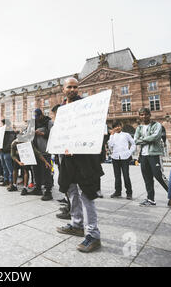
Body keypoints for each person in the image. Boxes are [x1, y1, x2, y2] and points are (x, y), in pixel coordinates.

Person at [56, 77, 103, 253]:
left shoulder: (87, 107)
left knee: (87, 194)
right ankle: (77, 224)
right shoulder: (61, 109)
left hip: (84, 157)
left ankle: (93, 235)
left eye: (76, 87)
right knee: (70, 190)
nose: (73, 89)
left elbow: (93, 130)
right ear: (64, 89)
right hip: (67, 157)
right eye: (70, 87)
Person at [134, 107, 168, 207]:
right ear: (139, 116)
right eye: (141, 115)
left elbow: (155, 137)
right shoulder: (139, 128)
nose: (143, 116)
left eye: (145, 114)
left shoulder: (157, 125)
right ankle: (150, 199)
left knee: (159, 176)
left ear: (149, 115)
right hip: (143, 156)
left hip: (154, 155)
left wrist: (142, 139)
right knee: (147, 178)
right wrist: (147, 139)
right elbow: (135, 140)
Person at [27, 108, 54, 200]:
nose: (36, 118)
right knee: (36, 171)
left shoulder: (48, 122)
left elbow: (53, 135)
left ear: (41, 115)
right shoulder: (32, 123)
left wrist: (42, 134)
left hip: (45, 151)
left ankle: (48, 191)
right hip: (34, 151)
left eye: (37, 116)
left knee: (46, 172)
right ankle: (38, 188)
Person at [108, 121, 136, 199]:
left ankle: (129, 193)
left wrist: (129, 152)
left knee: (126, 175)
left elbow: (133, 144)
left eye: (118, 126)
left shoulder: (126, 135)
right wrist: (111, 136)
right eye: (115, 127)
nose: (117, 128)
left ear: (121, 126)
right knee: (117, 176)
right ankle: (118, 192)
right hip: (115, 157)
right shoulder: (112, 136)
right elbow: (110, 145)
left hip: (125, 157)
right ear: (113, 128)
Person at [0, 119, 15, 187]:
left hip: (7, 152)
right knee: (4, 167)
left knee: (10, 168)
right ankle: (6, 180)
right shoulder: (2, 132)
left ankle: (11, 182)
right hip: (2, 151)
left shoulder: (11, 132)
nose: (2, 126)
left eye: (3, 124)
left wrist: (3, 148)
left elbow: (10, 143)